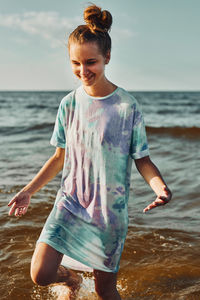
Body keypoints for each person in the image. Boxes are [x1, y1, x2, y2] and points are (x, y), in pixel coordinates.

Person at [8, 4, 172, 300]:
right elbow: (59, 157)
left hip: (109, 212)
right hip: (70, 203)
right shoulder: (68, 104)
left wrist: (160, 188)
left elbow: (143, 160)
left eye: (91, 62)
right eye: (75, 63)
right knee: (41, 274)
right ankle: (69, 279)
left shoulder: (127, 107)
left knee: (104, 290)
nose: (83, 71)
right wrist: (28, 190)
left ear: (107, 57)